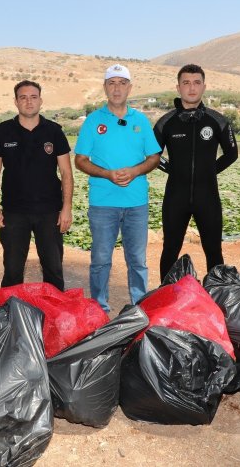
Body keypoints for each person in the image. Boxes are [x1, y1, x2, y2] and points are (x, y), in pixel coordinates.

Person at [74, 64, 161, 312]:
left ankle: (139, 307)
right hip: (103, 203)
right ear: (105, 88)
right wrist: (107, 174)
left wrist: (134, 171)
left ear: (129, 88)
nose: (117, 88)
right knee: (100, 260)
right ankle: (100, 308)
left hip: (136, 203)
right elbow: (80, 160)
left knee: (137, 261)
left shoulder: (141, 121)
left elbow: (154, 157)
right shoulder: (93, 121)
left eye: (122, 83)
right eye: (111, 83)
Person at [154, 64, 238, 281]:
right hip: (176, 196)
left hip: (207, 196)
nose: (192, 88)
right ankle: (167, 300)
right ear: (178, 87)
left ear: (204, 87)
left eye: (196, 83)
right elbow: (152, 155)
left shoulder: (217, 120)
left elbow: (232, 153)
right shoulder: (166, 122)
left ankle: (216, 303)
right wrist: (172, 170)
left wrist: (210, 171)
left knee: (214, 252)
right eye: (186, 83)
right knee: (170, 251)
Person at [0, 80, 74, 290]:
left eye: (33, 97)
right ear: (16, 101)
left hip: (50, 212)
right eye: (23, 97)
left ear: (41, 101)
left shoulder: (54, 131)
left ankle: (53, 316)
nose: (28, 102)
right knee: (12, 272)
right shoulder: (3, 132)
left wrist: (67, 208)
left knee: (53, 270)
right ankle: (9, 317)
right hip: (14, 213)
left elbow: (66, 173)